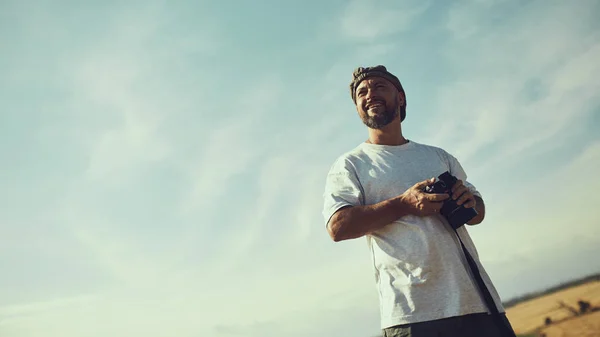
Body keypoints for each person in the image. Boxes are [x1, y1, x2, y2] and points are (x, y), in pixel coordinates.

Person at [321, 65, 516, 337]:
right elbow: (338, 227)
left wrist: (467, 199)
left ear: (400, 97)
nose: (369, 94)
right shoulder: (350, 164)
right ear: (357, 108)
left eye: (379, 87)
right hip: (414, 313)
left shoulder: (438, 156)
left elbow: (477, 213)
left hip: (479, 302)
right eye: (361, 92)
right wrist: (403, 203)